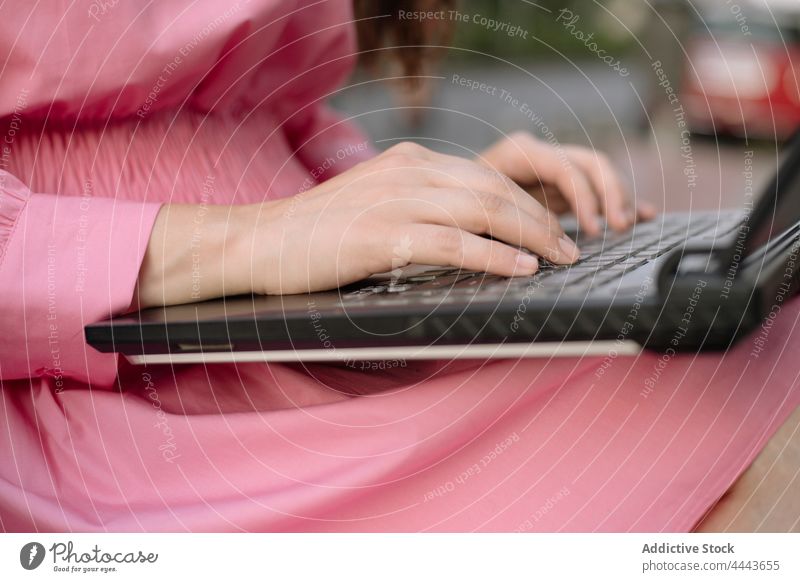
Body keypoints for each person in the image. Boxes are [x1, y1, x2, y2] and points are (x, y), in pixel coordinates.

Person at [0, 0, 797, 532]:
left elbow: (273, 121)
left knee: (765, 324)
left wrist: (427, 202)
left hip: (301, 317)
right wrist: (249, 239)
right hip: (101, 392)